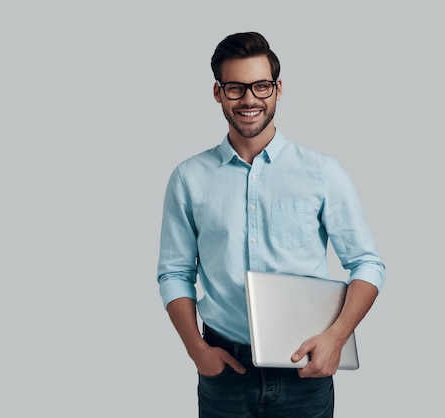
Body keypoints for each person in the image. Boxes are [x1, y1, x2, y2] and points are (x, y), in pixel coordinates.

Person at [157, 31, 386, 418]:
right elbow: (175, 272)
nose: (249, 99)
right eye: (235, 88)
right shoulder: (189, 178)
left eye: (261, 86)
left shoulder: (322, 173)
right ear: (218, 93)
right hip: (224, 372)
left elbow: (367, 263)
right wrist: (197, 350)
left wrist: (337, 337)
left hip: (305, 371)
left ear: (278, 89)